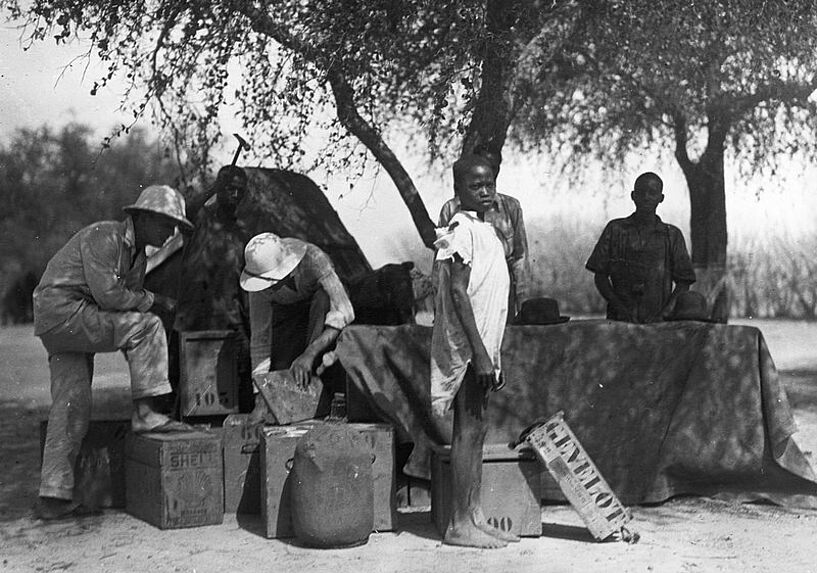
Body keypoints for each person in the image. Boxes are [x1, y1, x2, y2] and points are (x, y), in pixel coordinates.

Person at [33, 184, 195, 520]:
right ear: (145, 218)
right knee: (149, 325)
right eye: (167, 224)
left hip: (63, 325)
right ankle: (147, 414)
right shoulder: (105, 237)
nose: (171, 233)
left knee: (72, 403)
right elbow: (111, 297)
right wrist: (155, 301)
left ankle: (53, 494)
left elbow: (123, 315)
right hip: (65, 314)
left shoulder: (138, 257)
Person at [430, 155, 516, 548]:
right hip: (468, 347)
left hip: (483, 344)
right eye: (475, 185)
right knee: (466, 431)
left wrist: (491, 352)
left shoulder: (487, 230)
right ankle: (458, 523)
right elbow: (458, 293)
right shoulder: (460, 230)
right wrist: (479, 354)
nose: (484, 191)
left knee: (478, 428)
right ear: (458, 191)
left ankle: (475, 514)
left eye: (489, 183)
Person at [239, 232, 355, 423]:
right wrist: (260, 396)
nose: (269, 287)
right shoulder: (258, 286)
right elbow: (260, 339)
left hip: (323, 314)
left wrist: (310, 354)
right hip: (290, 320)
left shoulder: (314, 259)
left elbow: (345, 311)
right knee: (284, 380)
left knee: (322, 299)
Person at [174, 166, 253, 408]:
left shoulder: (242, 231)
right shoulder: (201, 219)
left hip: (229, 314)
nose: (235, 195)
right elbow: (185, 209)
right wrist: (213, 187)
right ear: (220, 189)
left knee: (235, 376)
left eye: (240, 190)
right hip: (195, 313)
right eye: (230, 189)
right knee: (186, 377)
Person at [586, 172, 696, 323]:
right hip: (620, 321)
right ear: (633, 195)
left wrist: (665, 314)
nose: (646, 197)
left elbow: (684, 281)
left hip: (659, 323)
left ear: (661, 198)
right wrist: (619, 308)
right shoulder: (615, 229)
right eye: (641, 192)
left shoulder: (672, 235)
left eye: (652, 192)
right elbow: (600, 275)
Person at [437, 141, 530, 318]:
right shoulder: (451, 210)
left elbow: (520, 258)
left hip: (500, 291)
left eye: (493, 168)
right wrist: (439, 307)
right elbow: (442, 264)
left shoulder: (510, 207)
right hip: (464, 288)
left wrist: (522, 304)